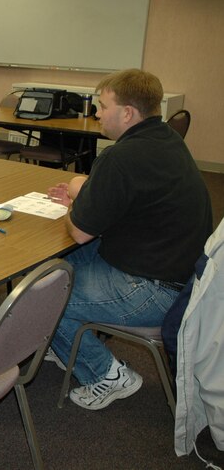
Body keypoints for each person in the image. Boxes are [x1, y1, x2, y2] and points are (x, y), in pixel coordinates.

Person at [45, 69, 212, 411]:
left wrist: (74, 204)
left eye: (102, 106)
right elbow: (123, 201)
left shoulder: (120, 157)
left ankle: (106, 375)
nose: (96, 114)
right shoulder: (166, 139)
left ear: (127, 113)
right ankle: (72, 339)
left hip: (155, 289)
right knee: (58, 268)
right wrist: (85, 197)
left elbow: (78, 230)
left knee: (45, 299)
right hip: (182, 275)